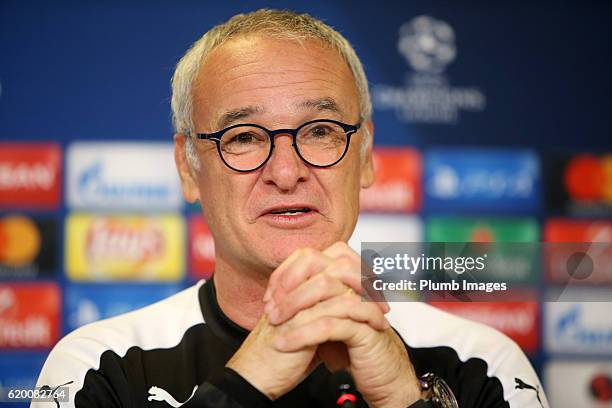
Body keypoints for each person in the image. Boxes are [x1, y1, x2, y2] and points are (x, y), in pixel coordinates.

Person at [33, 9, 547, 408]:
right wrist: (246, 383)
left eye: (320, 132)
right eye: (244, 137)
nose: (286, 171)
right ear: (189, 168)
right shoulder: (101, 365)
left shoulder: (481, 363)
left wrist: (404, 398)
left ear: (365, 156)